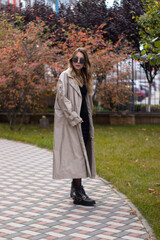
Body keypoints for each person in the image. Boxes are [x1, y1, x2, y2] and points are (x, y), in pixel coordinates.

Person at [53, 48, 96, 206]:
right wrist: (73, 117)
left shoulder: (85, 76)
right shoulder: (66, 75)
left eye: (81, 60)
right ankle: (78, 192)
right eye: (75, 59)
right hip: (74, 121)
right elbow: (62, 99)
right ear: (71, 60)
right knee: (77, 155)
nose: (78, 62)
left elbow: (86, 99)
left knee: (81, 153)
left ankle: (75, 188)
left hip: (84, 120)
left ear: (85, 63)